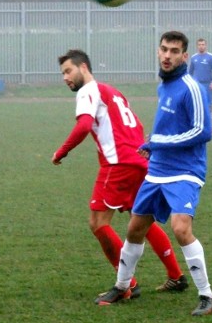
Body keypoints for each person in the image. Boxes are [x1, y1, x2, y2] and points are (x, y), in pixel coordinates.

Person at [95, 31, 212, 317]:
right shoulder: (165, 85)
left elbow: (203, 131)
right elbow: (170, 125)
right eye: (163, 49)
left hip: (185, 171)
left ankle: (207, 295)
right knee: (135, 228)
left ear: (184, 56)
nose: (167, 55)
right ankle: (123, 286)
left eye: (174, 51)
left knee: (180, 228)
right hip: (158, 169)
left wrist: (159, 142)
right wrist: (155, 144)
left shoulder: (191, 87)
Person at [52, 49, 187, 301]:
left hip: (118, 165)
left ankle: (126, 285)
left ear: (83, 68)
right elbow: (136, 123)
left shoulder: (87, 91)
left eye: (68, 71)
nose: (65, 78)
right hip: (139, 161)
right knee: (142, 222)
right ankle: (176, 276)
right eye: (62, 73)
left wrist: (62, 151)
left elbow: (83, 125)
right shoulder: (112, 92)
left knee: (98, 223)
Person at [188, 38, 212, 134]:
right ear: (197, 46)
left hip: (207, 86)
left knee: (209, 106)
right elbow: (189, 72)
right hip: (197, 86)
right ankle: (198, 126)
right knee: (196, 106)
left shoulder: (210, 57)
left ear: (206, 46)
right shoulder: (194, 58)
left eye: (203, 44)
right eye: (199, 44)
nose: (201, 46)